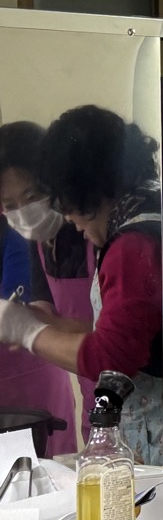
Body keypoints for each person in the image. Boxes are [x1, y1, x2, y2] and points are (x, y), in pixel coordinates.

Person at [0, 106, 163, 466]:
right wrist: (45, 322)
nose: (70, 221)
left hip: (157, 421)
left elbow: (111, 356)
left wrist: (29, 331)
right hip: (126, 410)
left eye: (58, 202)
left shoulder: (130, 245)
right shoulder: (142, 214)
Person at [0, 121, 96, 453]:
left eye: (31, 197)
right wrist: (28, 317)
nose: (23, 214)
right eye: (9, 205)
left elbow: (112, 332)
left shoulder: (90, 231)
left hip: (128, 381)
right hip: (91, 386)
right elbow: (48, 310)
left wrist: (28, 329)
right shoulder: (38, 240)